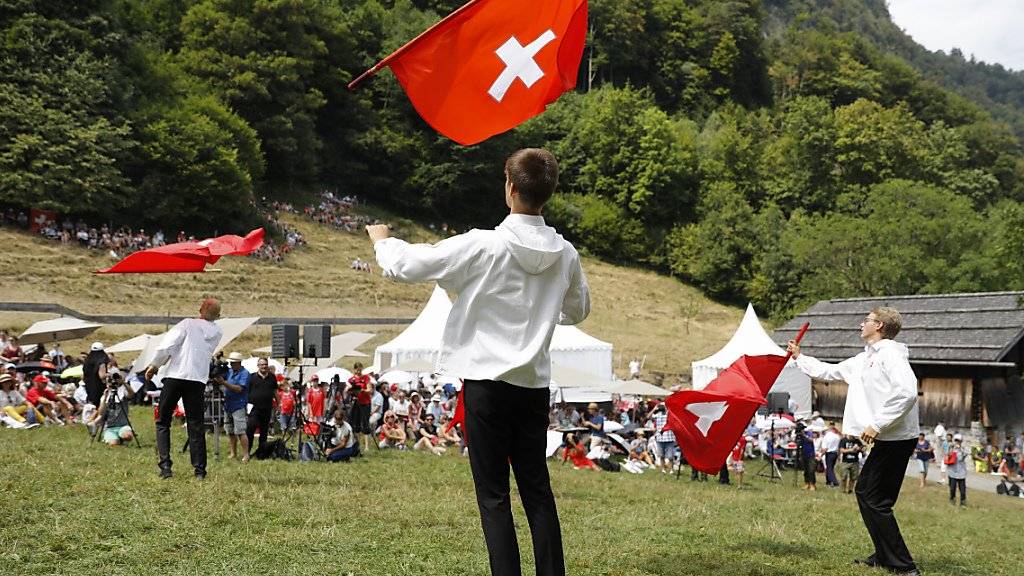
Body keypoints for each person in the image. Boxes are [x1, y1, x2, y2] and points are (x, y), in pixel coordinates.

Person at [368, 148, 589, 576]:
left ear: (509, 188)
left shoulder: (484, 244)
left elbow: (410, 264)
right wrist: (541, 313)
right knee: (538, 493)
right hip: (532, 386)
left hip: (487, 384)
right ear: (549, 193)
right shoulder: (565, 254)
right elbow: (578, 310)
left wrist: (382, 242)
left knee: (493, 496)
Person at [788, 307, 921, 576]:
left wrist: (877, 424)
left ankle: (903, 566)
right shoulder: (865, 359)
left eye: (867, 320)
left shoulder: (891, 354)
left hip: (897, 437)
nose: (861, 324)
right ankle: (885, 554)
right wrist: (799, 357)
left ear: (879, 325)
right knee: (867, 494)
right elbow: (829, 371)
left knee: (875, 499)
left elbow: (907, 393)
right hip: (888, 438)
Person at [147, 297, 223, 480]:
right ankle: (199, 471)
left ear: (201, 309)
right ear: (218, 315)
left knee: (163, 420)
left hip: (176, 375)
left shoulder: (188, 324)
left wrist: (155, 365)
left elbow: (169, 345)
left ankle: (165, 467)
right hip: (197, 379)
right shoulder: (218, 332)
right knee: (196, 425)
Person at [88, 370, 135, 446]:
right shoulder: (105, 396)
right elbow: (101, 412)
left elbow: (132, 394)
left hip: (123, 425)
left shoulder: (122, 392)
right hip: (109, 427)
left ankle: (121, 437)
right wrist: (105, 398)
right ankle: (115, 439)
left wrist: (123, 382)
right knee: (114, 444)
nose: (111, 383)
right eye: (109, 381)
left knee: (127, 436)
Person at [221, 352, 250, 461]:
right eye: (230, 363)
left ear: (239, 362)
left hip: (238, 405)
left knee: (240, 431)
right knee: (230, 430)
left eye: (233, 362)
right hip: (228, 404)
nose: (231, 364)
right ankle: (233, 453)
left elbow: (239, 389)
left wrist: (224, 383)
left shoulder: (245, 373)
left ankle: (246, 454)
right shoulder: (229, 371)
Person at [246, 356, 277, 456]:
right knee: (250, 430)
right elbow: (246, 391)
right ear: (258, 366)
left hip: (267, 408)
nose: (264, 366)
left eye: (265, 364)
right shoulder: (251, 377)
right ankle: (247, 452)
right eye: (262, 364)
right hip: (254, 408)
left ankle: (261, 453)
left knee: (264, 432)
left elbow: (275, 392)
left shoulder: (272, 377)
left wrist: (279, 404)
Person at [347, 362, 372, 451]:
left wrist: (362, 390)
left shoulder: (366, 378)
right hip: (356, 403)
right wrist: (351, 390)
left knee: (365, 423)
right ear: (354, 369)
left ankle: (367, 446)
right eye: (357, 369)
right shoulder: (351, 379)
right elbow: (347, 390)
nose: (358, 371)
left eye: (360, 369)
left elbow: (369, 390)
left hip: (365, 403)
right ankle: (357, 444)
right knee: (356, 424)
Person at [82, 342, 109, 407]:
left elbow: (84, 375)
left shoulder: (87, 361)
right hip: (99, 387)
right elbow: (102, 375)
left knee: (91, 404)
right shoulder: (101, 360)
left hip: (89, 386)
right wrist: (109, 374)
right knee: (100, 405)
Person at [946, 434, 969, 506]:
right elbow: (947, 455)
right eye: (956, 440)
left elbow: (964, 456)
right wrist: (951, 449)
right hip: (952, 471)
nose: (957, 442)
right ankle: (952, 500)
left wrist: (960, 449)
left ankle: (963, 503)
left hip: (961, 472)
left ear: (961, 441)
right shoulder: (951, 447)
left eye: (959, 441)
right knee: (952, 488)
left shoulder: (963, 449)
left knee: (962, 490)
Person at [822, 422, 841, 487]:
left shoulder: (826, 437)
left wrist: (821, 454)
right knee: (831, 467)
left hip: (829, 453)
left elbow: (825, 448)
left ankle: (834, 481)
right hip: (835, 453)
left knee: (829, 468)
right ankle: (828, 481)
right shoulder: (837, 436)